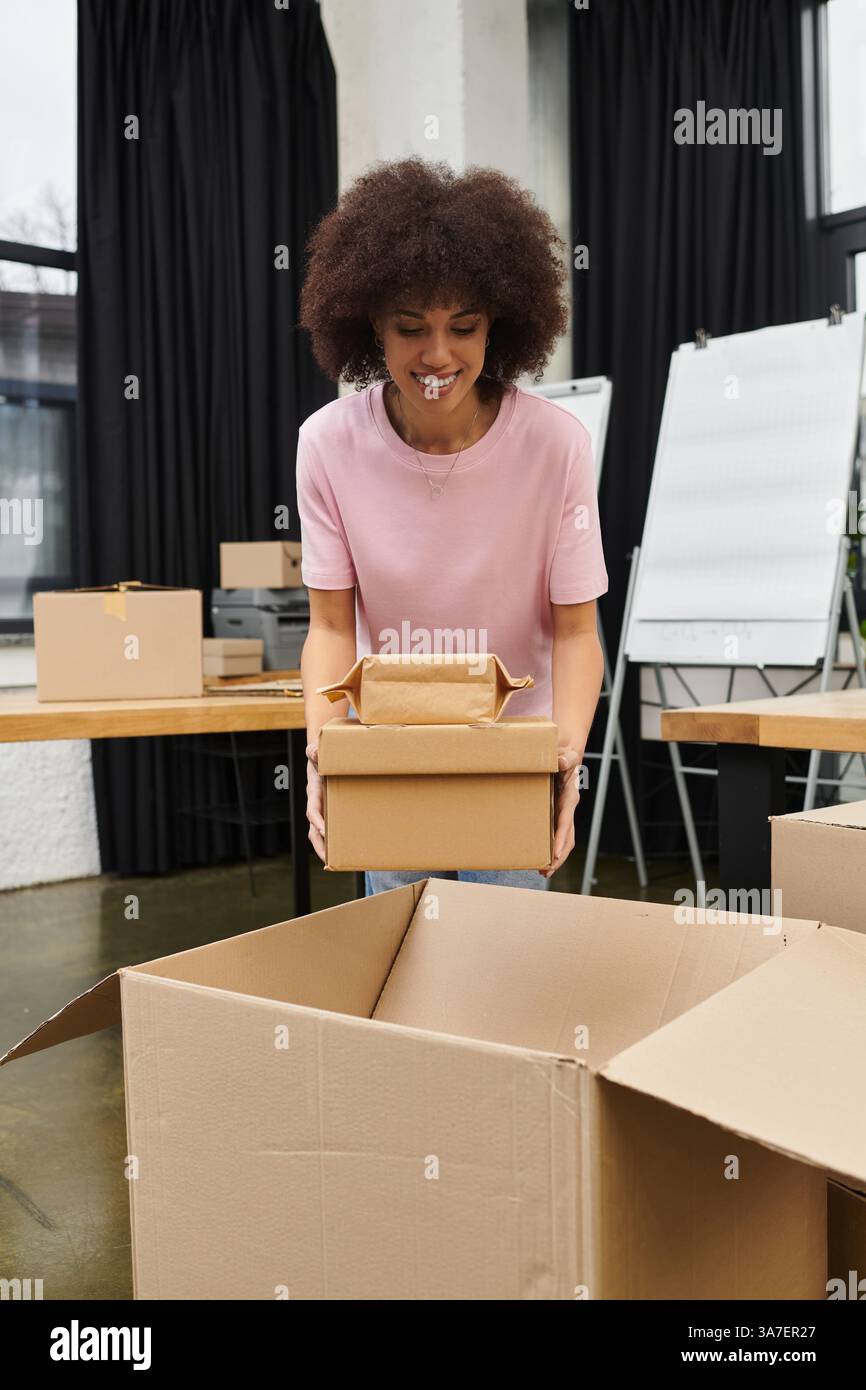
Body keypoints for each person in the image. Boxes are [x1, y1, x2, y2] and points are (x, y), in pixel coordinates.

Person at [296, 157, 608, 896]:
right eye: (411, 329)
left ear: (498, 323)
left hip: (512, 756)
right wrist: (324, 754)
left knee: (503, 983)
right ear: (370, 323)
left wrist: (564, 763)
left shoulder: (556, 446)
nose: (438, 355)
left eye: (462, 327)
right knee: (404, 973)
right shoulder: (328, 444)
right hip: (391, 753)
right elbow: (331, 628)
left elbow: (575, 633)